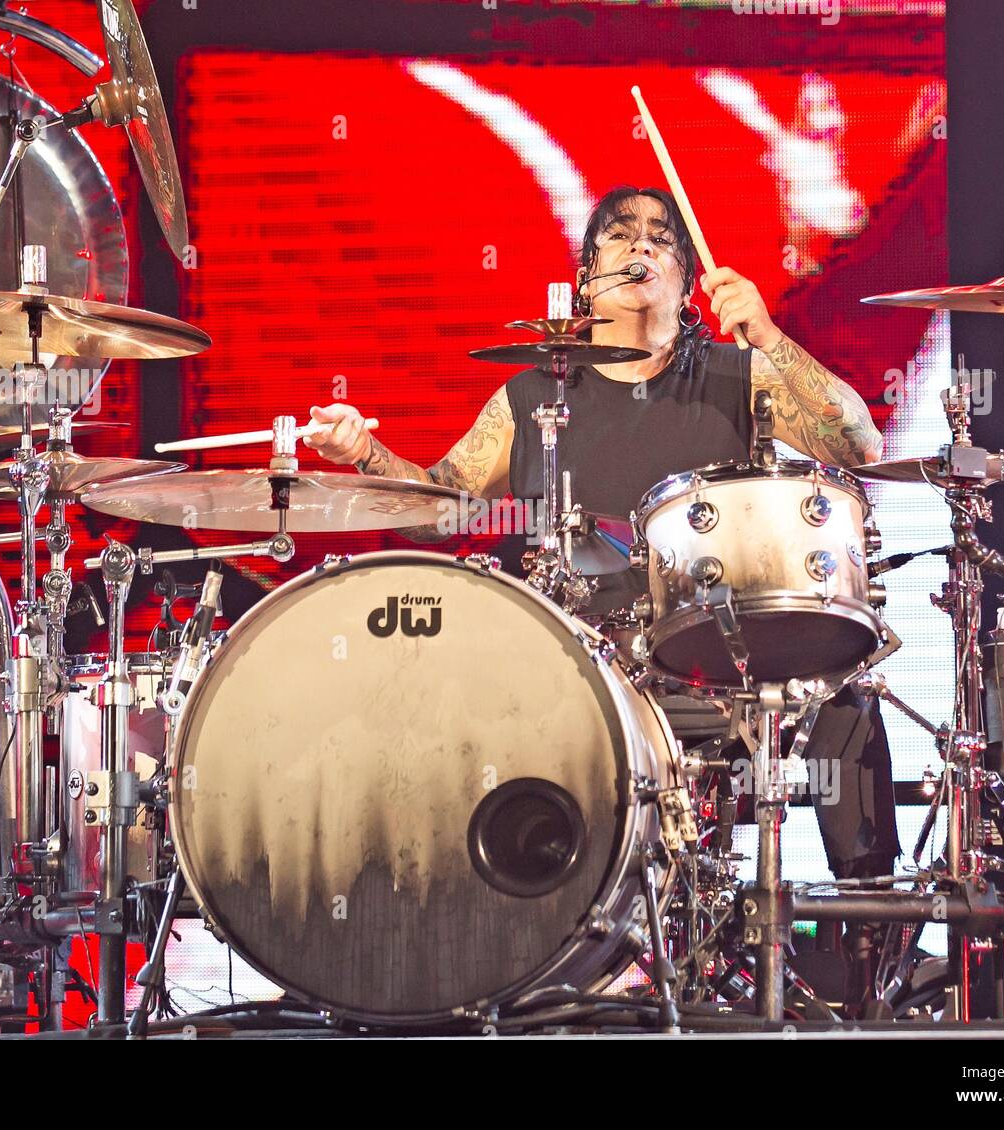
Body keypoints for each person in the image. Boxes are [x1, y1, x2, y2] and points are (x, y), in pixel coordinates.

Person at [306, 185, 901, 1012]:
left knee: (845, 692)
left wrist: (767, 332)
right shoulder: (532, 396)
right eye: (621, 236)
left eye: (662, 239)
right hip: (574, 672)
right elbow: (441, 506)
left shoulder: (738, 373)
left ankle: (871, 973)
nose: (642, 247)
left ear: (686, 282)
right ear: (586, 280)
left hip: (709, 663)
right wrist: (363, 449)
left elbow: (858, 443)